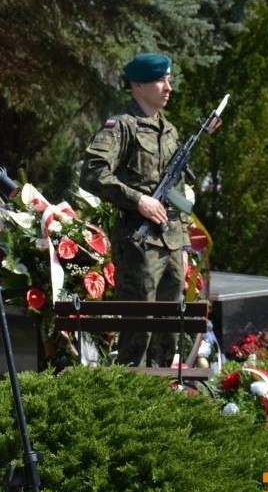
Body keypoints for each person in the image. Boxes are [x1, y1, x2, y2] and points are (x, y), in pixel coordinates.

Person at [79, 52, 190, 367]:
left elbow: (176, 190)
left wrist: (182, 243)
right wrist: (138, 200)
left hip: (170, 242)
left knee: (170, 327)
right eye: (159, 80)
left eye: (168, 79)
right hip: (138, 244)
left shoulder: (169, 130)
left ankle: (165, 396)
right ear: (137, 85)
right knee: (138, 328)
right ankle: (132, 398)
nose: (167, 87)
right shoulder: (121, 126)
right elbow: (93, 172)